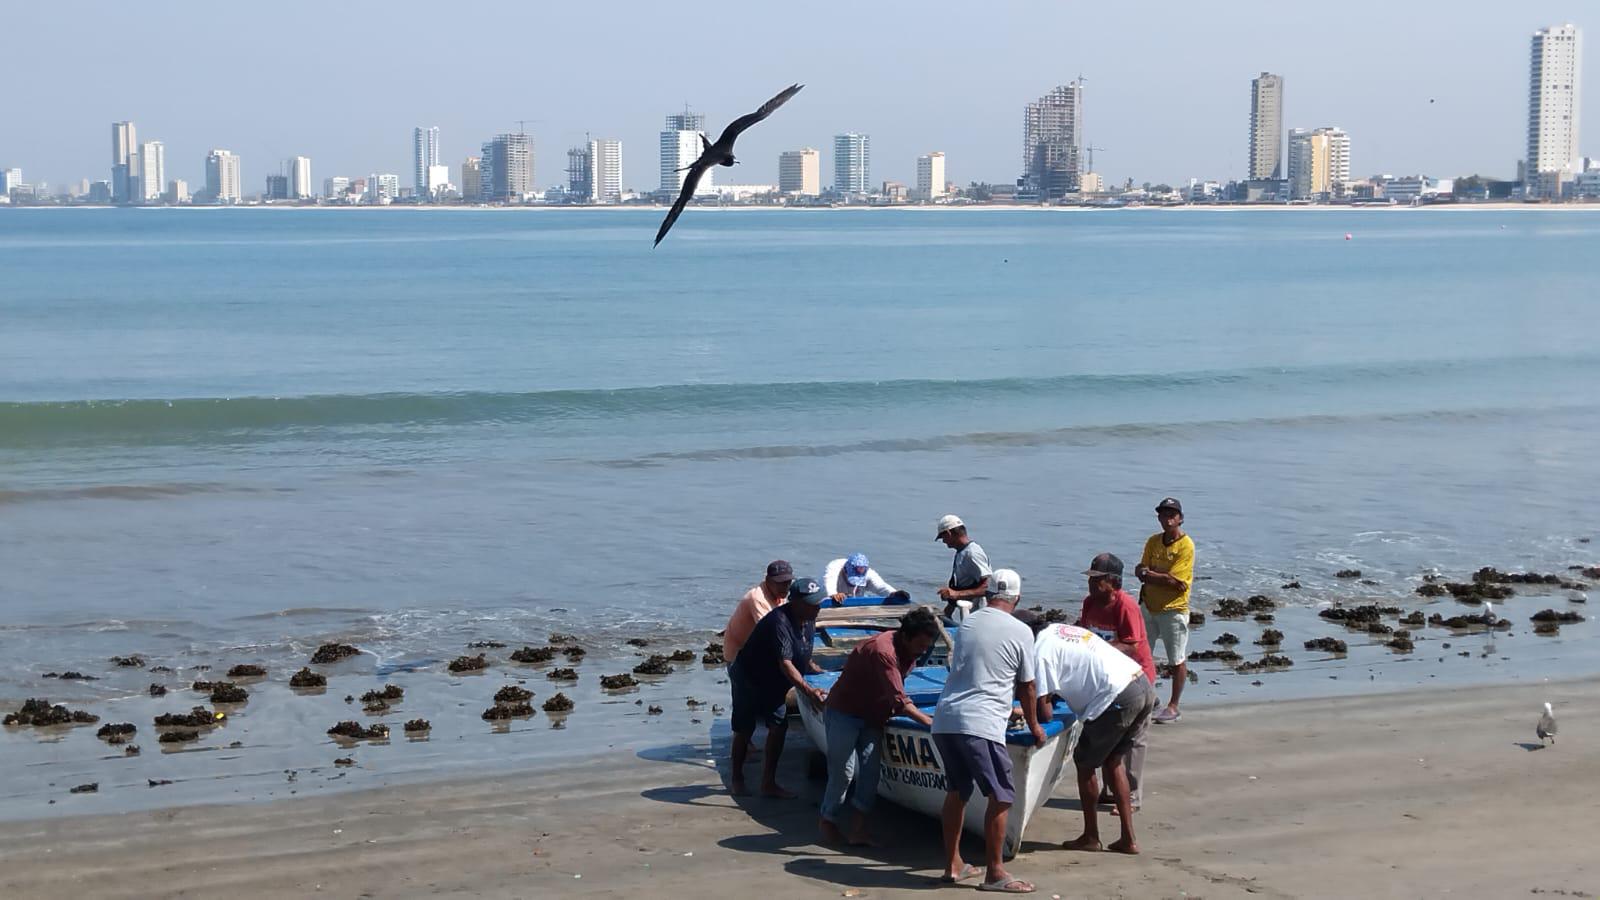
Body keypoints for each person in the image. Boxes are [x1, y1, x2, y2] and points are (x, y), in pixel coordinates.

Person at [930, 568, 1043, 893]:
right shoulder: (1021, 631)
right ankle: (995, 872)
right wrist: (1034, 726)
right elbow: (1029, 686)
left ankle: (953, 864)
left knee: (958, 792)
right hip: (980, 723)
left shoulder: (968, 624)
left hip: (946, 719)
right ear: (1017, 598)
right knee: (1002, 795)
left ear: (987, 594)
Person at [1023, 617, 1156, 856]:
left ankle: (1091, 836)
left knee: (1085, 765)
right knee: (1113, 761)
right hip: (1141, 683)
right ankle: (1128, 838)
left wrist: (1026, 710)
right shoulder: (1059, 630)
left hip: (1116, 696)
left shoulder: (1039, 652)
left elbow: (1044, 712)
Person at [817, 607, 941, 846]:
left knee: (871, 774)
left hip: (873, 716)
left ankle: (858, 829)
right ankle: (827, 820)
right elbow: (900, 701)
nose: (923, 651)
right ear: (906, 636)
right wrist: (931, 723)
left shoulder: (911, 648)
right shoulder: (883, 650)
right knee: (843, 772)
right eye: (921, 646)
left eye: (927, 646)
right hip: (845, 712)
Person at [728, 576, 828, 798]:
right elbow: (785, 663)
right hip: (749, 679)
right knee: (745, 729)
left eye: (818, 602)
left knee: (778, 728)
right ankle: (737, 778)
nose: (818, 608)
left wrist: (814, 669)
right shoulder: (779, 622)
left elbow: (801, 651)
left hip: (774, 684)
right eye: (812, 603)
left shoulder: (809, 619)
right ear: (796, 602)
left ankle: (768, 783)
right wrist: (808, 691)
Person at [1075, 553, 1155, 810]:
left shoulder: (1125, 605)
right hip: (1106, 680)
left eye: (1097, 580)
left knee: (1132, 741)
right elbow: (1084, 630)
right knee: (1107, 735)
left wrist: (1098, 649)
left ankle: (1131, 797)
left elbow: (1131, 645)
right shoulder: (1090, 603)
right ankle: (1111, 790)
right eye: (1090, 578)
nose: (1091, 584)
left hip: (1136, 678)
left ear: (1112, 581)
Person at [1136, 497, 1194, 724]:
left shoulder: (1186, 545)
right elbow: (1141, 570)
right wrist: (1161, 577)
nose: (1168, 517)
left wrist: (1152, 575)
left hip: (1173, 609)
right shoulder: (1153, 541)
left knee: (1176, 659)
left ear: (1180, 518)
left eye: (1172, 514)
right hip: (1148, 606)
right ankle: (1148, 700)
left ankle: (1174, 705)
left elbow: (1177, 581)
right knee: (1142, 656)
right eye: (1163, 513)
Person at [723, 560, 794, 663]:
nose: (786, 587)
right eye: (780, 583)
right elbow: (772, 632)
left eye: (788, 582)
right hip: (738, 657)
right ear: (768, 580)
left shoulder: (778, 594)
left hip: (753, 647)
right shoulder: (758, 599)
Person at [934, 514, 992, 620]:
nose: (943, 541)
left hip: (979, 616)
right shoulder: (961, 552)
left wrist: (956, 594)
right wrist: (947, 611)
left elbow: (988, 587)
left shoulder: (972, 554)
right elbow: (963, 585)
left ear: (948, 533)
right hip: (968, 615)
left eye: (943, 537)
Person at [822, 552, 905, 602]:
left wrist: (895, 593)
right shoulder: (834, 567)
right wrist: (833, 594)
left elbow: (881, 587)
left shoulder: (869, 573)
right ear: (845, 569)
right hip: (827, 599)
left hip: (853, 601)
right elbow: (829, 582)